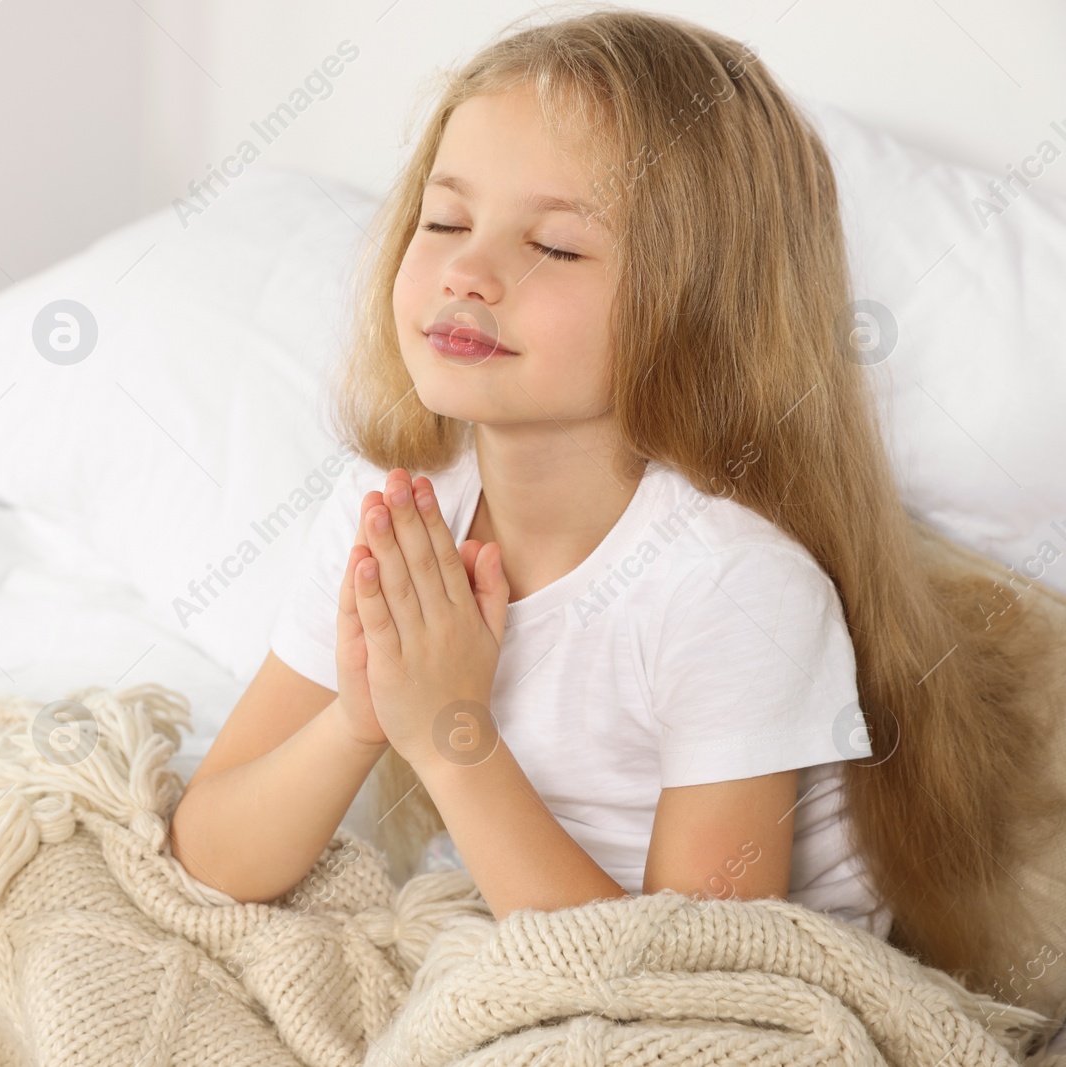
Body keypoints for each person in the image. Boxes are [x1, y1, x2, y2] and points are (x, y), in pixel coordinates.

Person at [169, 9, 1056, 983]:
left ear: (701, 311)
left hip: (716, 994)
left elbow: (684, 992)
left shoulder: (732, 584)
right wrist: (364, 717)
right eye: (447, 219)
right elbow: (207, 854)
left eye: (553, 244)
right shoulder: (393, 509)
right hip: (521, 939)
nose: (467, 270)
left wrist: (448, 735)